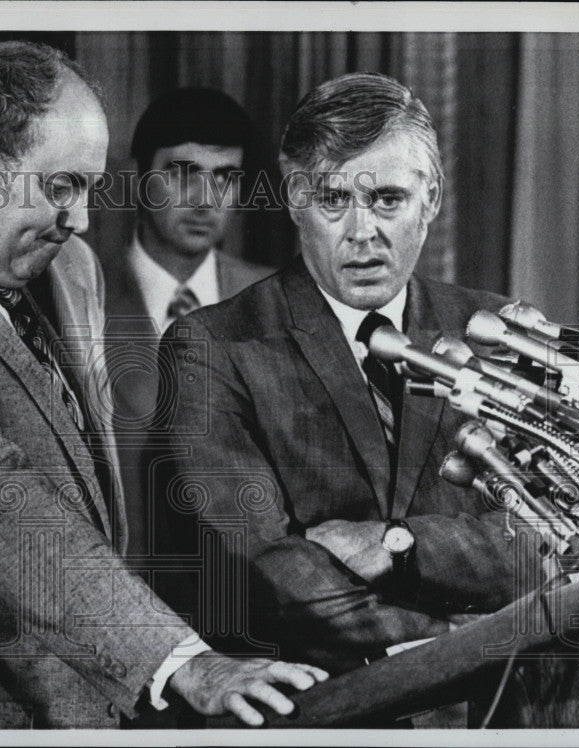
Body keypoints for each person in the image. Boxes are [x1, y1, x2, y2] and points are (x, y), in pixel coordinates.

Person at [0, 39, 325, 730]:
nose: (81, 219)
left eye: (88, 189)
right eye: (62, 186)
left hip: (74, 695)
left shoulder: (58, 269)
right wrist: (183, 662)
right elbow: (1, 510)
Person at [152, 72, 543, 682]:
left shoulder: (493, 332)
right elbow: (256, 565)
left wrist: (400, 545)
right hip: (322, 710)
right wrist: (446, 644)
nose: (363, 232)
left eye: (388, 198)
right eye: (334, 201)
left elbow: (551, 540)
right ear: (295, 202)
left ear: (432, 198)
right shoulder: (212, 346)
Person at [104, 88, 273, 558]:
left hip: (255, 596)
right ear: (139, 178)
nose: (205, 200)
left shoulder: (277, 301)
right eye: (182, 174)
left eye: (225, 177)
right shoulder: (80, 302)